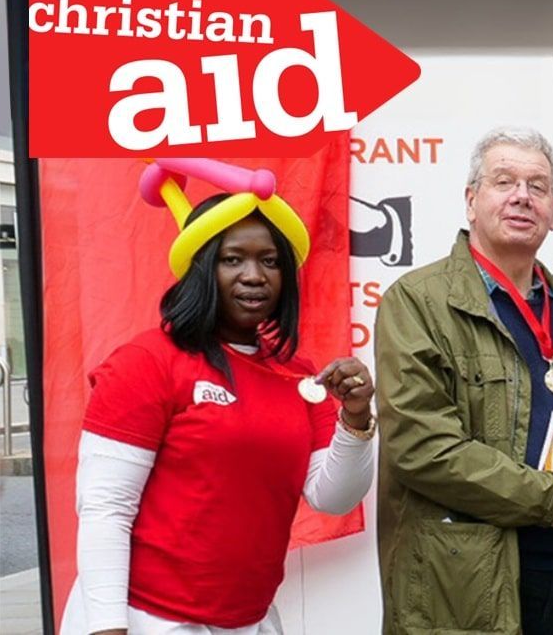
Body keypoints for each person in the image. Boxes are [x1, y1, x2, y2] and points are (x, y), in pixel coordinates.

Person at [64, 174, 376, 634]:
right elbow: (105, 508)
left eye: (270, 261)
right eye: (233, 259)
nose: (254, 275)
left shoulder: (295, 371)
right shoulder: (146, 362)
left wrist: (355, 418)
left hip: (248, 620)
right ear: (201, 269)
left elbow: (332, 496)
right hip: (148, 619)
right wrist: (109, 627)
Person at [375, 127, 553, 635]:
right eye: (504, 181)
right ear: (472, 201)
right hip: (467, 585)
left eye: (537, 186)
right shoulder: (416, 301)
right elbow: (422, 447)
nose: (522, 196)